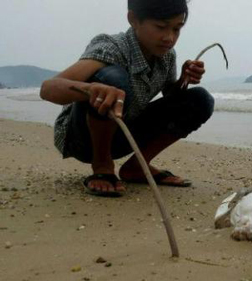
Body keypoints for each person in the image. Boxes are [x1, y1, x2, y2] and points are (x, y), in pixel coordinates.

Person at [40, 0, 214, 197]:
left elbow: (171, 101)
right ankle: (103, 164)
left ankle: (137, 167)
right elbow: (47, 88)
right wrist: (91, 88)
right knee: (112, 79)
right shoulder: (112, 47)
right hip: (82, 138)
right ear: (133, 19)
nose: (169, 37)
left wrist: (183, 80)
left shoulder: (167, 56)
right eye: (161, 27)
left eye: (177, 29)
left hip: (123, 133)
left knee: (200, 99)